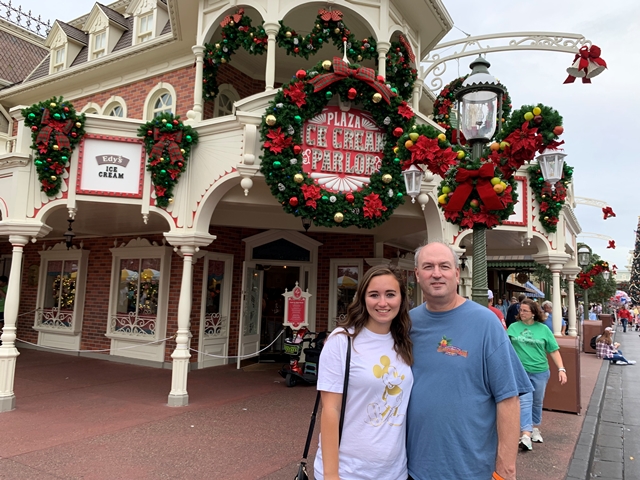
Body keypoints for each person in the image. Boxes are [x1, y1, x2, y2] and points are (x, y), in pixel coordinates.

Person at [407, 242, 532, 480]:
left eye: (444, 266)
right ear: (417, 274)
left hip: (470, 469)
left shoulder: (486, 323)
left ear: (456, 272)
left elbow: (508, 398)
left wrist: (506, 470)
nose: (436, 273)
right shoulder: (407, 324)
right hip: (414, 467)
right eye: (428, 266)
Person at [314, 265, 414, 480]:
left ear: (401, 298)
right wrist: (331, 475)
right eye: (374, 295)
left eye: (390, 294)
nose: (382, 303)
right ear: (362, 298)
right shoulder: (342, 341)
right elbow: (331, 410)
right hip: (349, 471)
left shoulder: (404, 341)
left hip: (394, 472)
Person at [507, 299, 567, 451]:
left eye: (525, 310)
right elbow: (505, 347)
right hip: (520, 372)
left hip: (540, 370)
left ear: (533, 313)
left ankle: (535, 427)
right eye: (520, 310)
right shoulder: (513, 328)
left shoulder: (543, 329)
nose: (522, 313)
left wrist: (561, 369)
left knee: (537, 401)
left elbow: (553, 350)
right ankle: (526, 434)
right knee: (525, 401)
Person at [0, 275, 7, 340]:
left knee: (1, 323)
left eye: (1, 282)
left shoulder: (7, 288)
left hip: (2, 309)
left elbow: (6, 296)